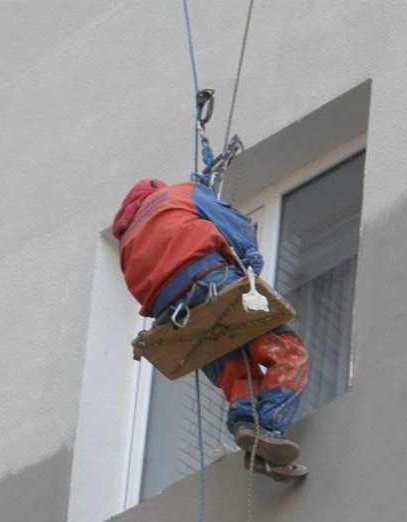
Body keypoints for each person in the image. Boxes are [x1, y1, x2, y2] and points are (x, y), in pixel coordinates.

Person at [112, 178, 310, 472]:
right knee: (289, 353)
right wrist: (250, 263)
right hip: (209, 284)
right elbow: (235, 225)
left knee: (233, 367)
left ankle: (246, 423)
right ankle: (269, 427)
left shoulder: (127, 241)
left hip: (176, 319)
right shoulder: (181, 193)